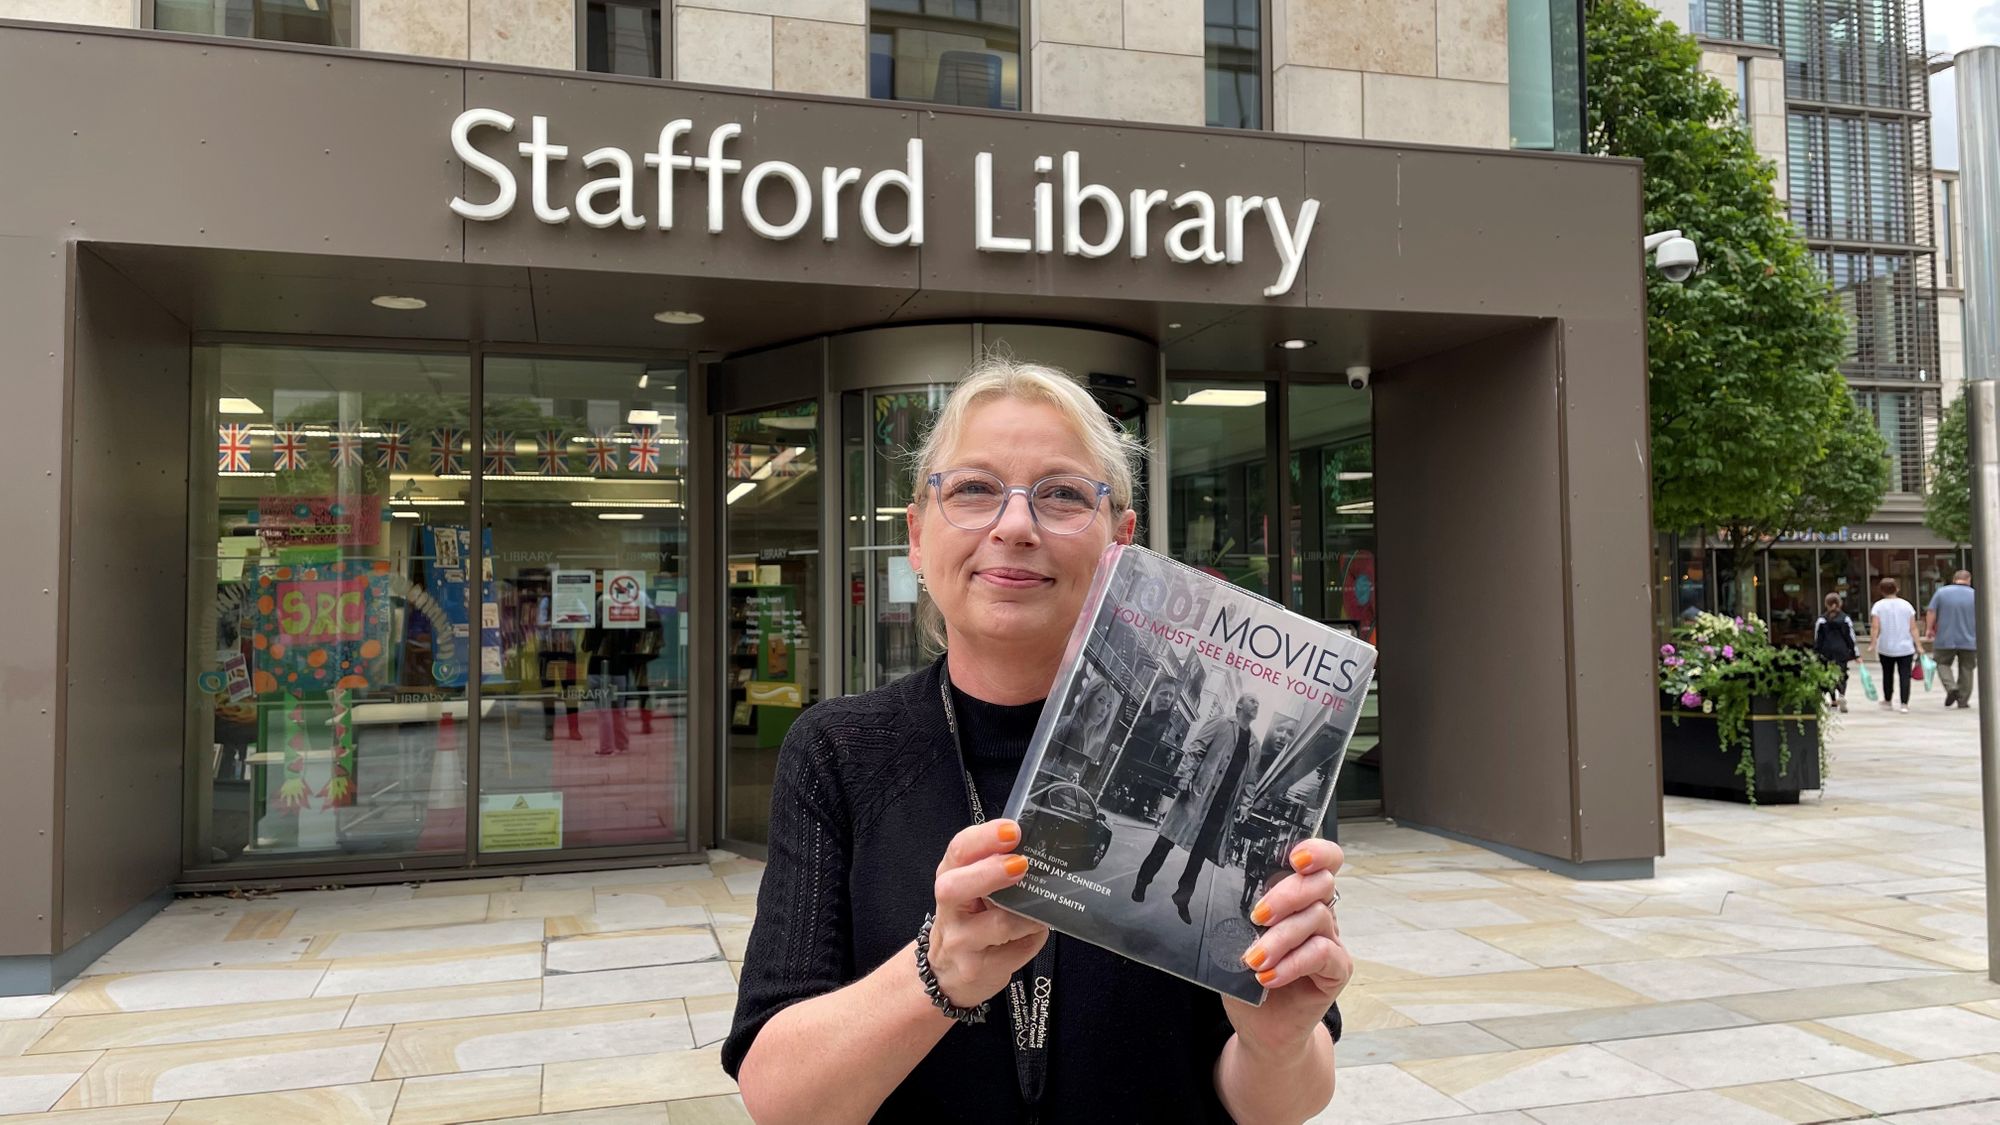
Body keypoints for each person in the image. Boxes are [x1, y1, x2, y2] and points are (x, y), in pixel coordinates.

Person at [724, 360, 1349, 1124]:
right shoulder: (837, 752)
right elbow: (779, 1099)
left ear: (1120, 543)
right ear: (917, 537)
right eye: (973, 488)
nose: (1015, 526)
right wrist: (935, 973)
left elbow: (1279, 1103)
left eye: (1062, 494)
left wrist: (1275, 1044)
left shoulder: (1259, 772)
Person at [1132, 694, 1261, 923]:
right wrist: (1184, 775)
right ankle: (1142, 881)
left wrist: (1245, 805)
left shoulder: (1254, 745)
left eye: (1258, 703)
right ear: (1240, 704)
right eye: (1252, 701)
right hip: (1196, 796)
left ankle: (1182, 897)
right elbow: (1196, 748)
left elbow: (1250, 781)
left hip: (1221, 808)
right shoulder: (1221, 723)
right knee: (1166, 841)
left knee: (1198, 857)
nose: (1256, 705)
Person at [1869, 577, 1924, 713]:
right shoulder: (1907, 605)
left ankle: (1888, 700)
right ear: (1897, 589)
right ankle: (1904, 703)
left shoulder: (1878, 606)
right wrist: (1918, 645)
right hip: (1905, 647)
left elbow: (1875, 627)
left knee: (1887, 674)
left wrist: (1873, 642)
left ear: (1881, 590)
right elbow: (1913, 628)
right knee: (1905, 675)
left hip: (1885, 646)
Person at [1927, 570, 1977, 709]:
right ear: (1969, 580)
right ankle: (1963, 700)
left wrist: (1929, 629)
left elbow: (1931, 611)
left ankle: (1951, 687)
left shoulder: (1941, 593)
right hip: (1970, 639)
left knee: (1942, 663)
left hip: (1945, 637)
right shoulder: (1975, 594)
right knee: (1967, 669)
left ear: (1954, 579)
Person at [1812, 592, 1859, 713]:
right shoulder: (1845, 619)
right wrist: (1856, 654)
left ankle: (1833, 700)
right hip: (1841, 651)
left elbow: (1817, 638)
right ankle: (1842, 695)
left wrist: (1816, 652)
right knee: (1842, 673)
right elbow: (1851, 637)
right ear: (1840, 604)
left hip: (1826, 651)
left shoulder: (1822, 620)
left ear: (1826, 604)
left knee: (1829, 675)